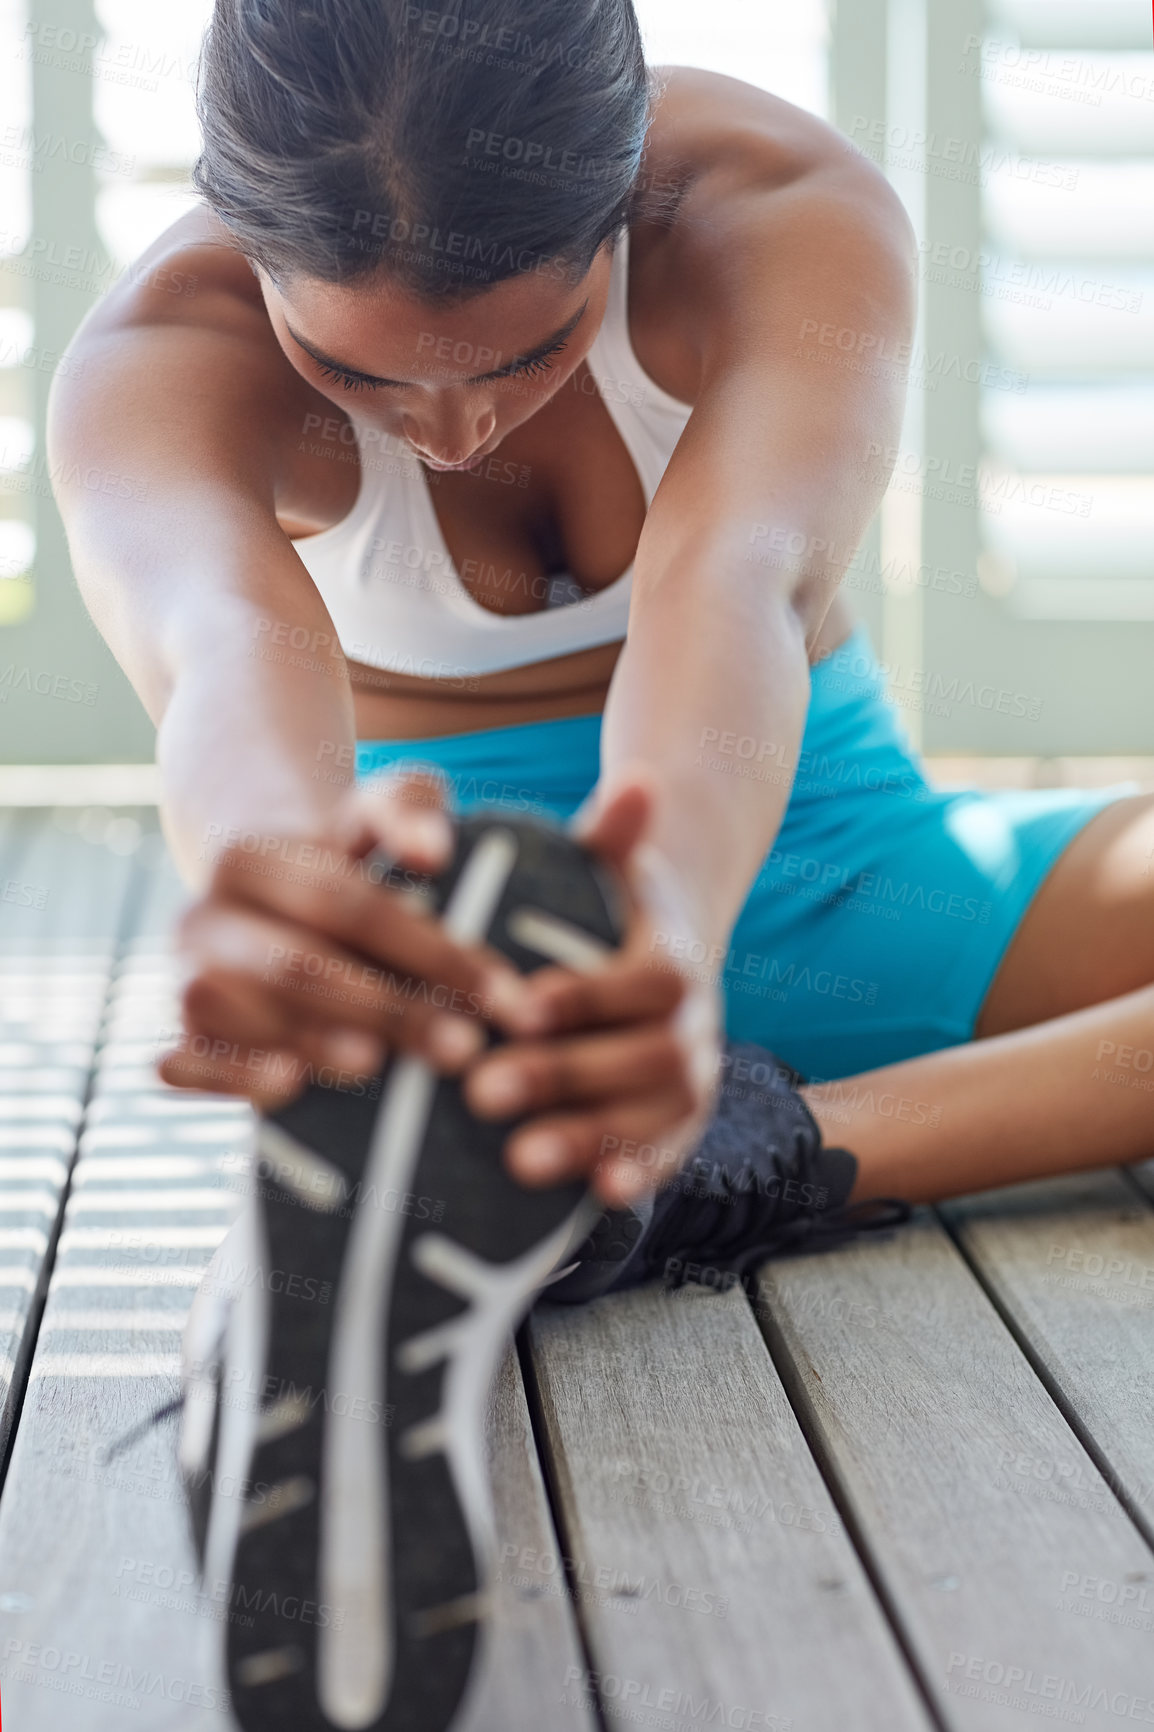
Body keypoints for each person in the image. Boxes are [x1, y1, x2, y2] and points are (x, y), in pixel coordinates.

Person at [49, 3, 1153, 1726]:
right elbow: (225, 672)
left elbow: (735, 595)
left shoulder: (786, 210)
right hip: (477, 978)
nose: (459, 429)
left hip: (813, 875)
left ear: (619, 199)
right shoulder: (147, 370)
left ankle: (734, 1160)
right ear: (240, 239)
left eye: (536, 345)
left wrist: (656, 939)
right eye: (356, 375)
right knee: (401, 1030)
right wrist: (296, 902)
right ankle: (487, 1192)